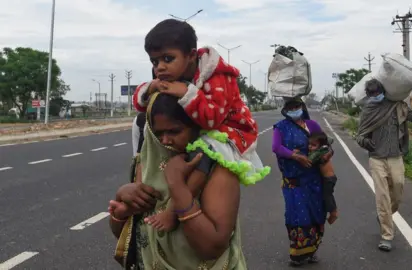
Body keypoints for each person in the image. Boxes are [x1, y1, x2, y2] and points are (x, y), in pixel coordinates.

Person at [109, 93, 247, 269]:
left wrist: (176, 183)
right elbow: (136, 234)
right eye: (158, 133)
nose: (165, 140)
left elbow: (211, 248)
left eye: (174, 131)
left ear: (196, 126)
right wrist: (122, 210)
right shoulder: (147, 162)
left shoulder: (219, 169)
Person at [132, 18, 258, 156]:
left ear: (191, 55)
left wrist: (186, 93)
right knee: (143, 128)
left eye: (168, 59)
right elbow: (144, 106)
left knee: (205, 164)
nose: (160, 67)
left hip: (231, 132)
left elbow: (212, 120)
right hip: (199, 131)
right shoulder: (168, 73)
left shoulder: (217, 76)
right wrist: (151, 88)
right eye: (155, 61)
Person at [356, 78, 412, 252]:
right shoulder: (368, 111)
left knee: (398, 191)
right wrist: (365, 142)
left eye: (378, 93)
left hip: (396, 157)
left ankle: (384, 216)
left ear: (383, 91)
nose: (375, 96)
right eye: (372, 94)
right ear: (368, 95)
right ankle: (386, 236)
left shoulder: (398, 107)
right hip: (377, 159)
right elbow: (359, 136)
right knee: (382, 198)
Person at [272, 97, 335, 266]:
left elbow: (326, 144)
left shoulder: (312, 125)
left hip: (314, 180)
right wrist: (296, 156)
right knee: (298, 216)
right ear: (285, 109)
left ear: (302, 107)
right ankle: (298, 254)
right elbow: (276, 147)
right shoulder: (281, 127)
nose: (294, 109)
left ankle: (312, 249)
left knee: (316, 214)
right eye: (290, 107)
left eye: (297, 106)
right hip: (293, 181)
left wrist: (327, 153)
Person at [307, 132, 338, 225]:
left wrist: (297, 154)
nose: (310, 147)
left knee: (327, 195)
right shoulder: (324, 150)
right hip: (328, 178)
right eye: (309, 144)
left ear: (320, 146)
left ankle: (334, 213)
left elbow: (309, 161)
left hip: (329, 179)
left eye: (313, 145)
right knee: (326, 195)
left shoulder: (320, 153)